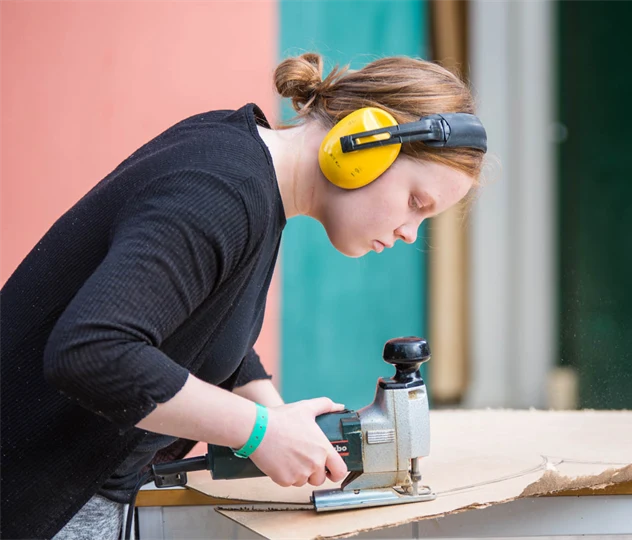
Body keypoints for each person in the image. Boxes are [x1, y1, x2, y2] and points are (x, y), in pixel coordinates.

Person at [0, 52, 486, 539]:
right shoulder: (220, 190)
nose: (409, 233)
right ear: (363, 145)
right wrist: (258, 431)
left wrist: (276, 416)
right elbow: (91, 351)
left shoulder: (242, 171)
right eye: (415, 203)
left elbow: (198, 323)